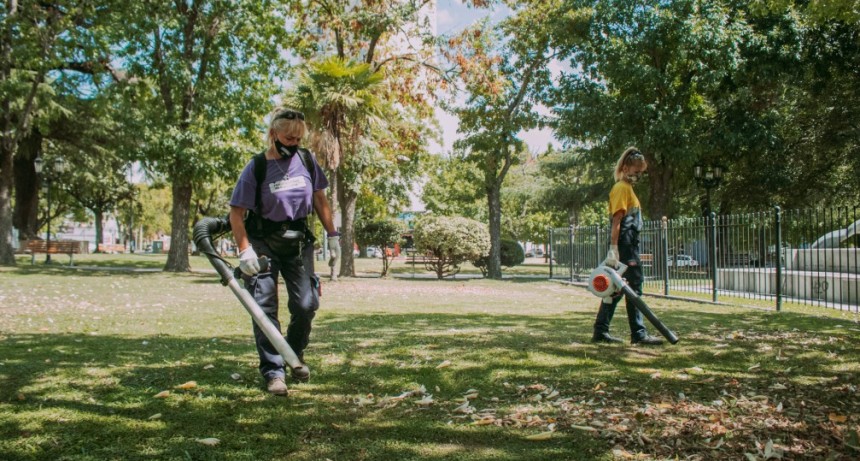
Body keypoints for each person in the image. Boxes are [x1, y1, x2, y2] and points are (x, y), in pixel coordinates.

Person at [229, 107, 340, 395]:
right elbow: (236, 214)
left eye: (298, 138)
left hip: (298, 241)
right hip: (263, 242)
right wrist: (245, 252)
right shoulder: (256, 167)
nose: (293, 142)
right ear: (273, 134)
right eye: (288, 137)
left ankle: (293, 352)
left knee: (306, 305)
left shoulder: (307, 160)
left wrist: (333, 236)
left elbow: (320, 199)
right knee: (264, 308)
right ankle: (274, 372)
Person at [592, 147, 663, 346]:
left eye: (641, 172)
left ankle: (601, 330)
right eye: (636, 171)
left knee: (614, 289)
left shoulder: (627, 188)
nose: (638, 175)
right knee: (634, 287)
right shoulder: (621, 188)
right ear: (625, 167)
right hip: (625, 245)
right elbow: (617, 221)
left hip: (627, 244)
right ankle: (638, 334)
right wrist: (614, 248)